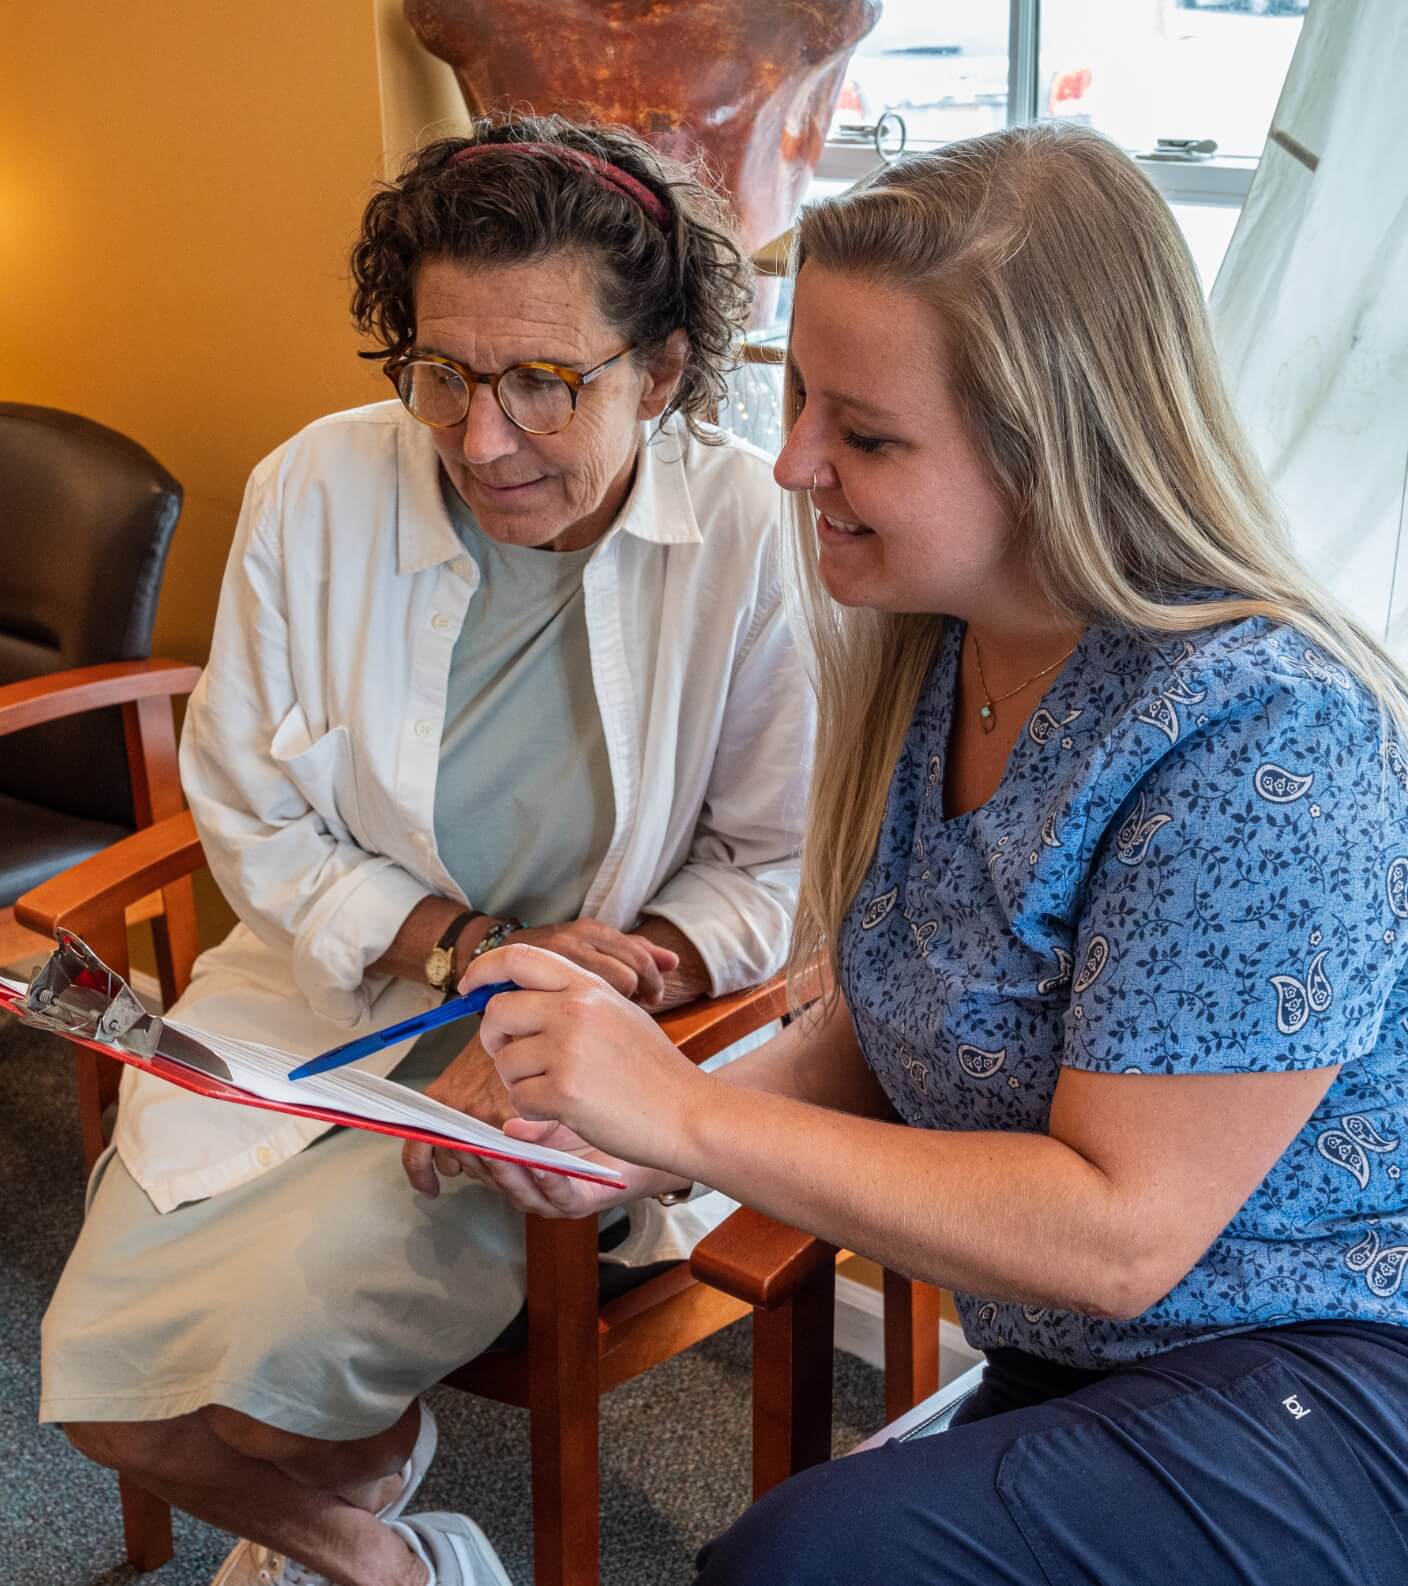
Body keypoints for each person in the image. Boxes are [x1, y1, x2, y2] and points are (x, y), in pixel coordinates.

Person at [457, 123, 1408, 1584]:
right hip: (1089, 1354)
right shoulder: (944, 654)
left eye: (867, 434)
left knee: (794, 1565)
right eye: (798, 403)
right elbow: (898, 1007)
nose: (791, 464)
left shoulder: (1265, 740)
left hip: (1316, 1362)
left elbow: (1119, 1234)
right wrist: (634, 1122)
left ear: (1059, 448)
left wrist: (686, 1122)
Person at [40, 114, 812, 1586]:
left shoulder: (746, 537)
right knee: (96, 1383)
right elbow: (255, 807)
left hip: (547, 1075)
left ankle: (354, 1494)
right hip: (314, 1005)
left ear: (660, 370)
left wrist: (601, 987)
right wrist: (462, 944)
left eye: (543, 382)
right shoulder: (313, 489)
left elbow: (778, 866)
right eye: (442, 372)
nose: (477, 437)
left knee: (260, 1376)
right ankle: (392, 1557)